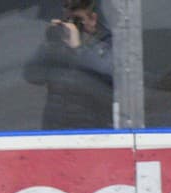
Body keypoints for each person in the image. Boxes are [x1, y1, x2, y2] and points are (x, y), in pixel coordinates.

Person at [22, 0, 113, 131]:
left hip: (93, 130)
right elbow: (31, 76)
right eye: (69, 20)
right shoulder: (59, 45)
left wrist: (78, 48)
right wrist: (49, 44)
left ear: (93, 19)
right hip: (56, 128)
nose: (74, 27)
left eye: (78, 20)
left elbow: (112, 74)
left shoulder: (107, 43)